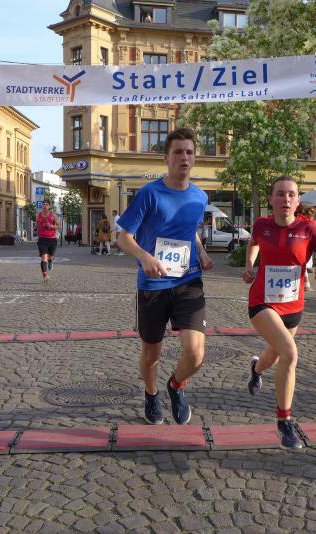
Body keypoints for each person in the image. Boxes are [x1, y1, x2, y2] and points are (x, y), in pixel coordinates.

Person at [117, 127, 213, 426]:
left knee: (195, 354)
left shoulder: (200, 197)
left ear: (194, 158)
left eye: (189, 152)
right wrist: (144, 256)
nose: (184, 157)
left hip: (188, 280)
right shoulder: (150, 193)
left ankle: (176, 385)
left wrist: (201, 251)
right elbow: (123, 238)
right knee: (152, 354)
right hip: (153, 284)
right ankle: (151, 394)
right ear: (166, 158)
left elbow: (190, 230)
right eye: (178, 152)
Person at [243, 175, 316, 450]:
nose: (286, 199)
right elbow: (253, 243)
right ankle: (284, 422)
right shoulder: (261, 225)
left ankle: (256, 369)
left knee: (275, 354)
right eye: (280, 194)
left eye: (291, 194)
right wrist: (250, 265)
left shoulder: (308, 227)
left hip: (293, 305)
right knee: (289, 353)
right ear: (270, 199)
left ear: (298, 200)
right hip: (262, 302)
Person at [36, 200, 60, 283]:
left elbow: (58, 226)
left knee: (50, 257)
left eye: (46, 204)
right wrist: (40, 225)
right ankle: (45, 276)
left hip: (52, 239)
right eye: (43, 204)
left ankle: (50, 261)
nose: (44, 206)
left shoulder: (53, 215)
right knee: (44, 258)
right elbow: (37, 225)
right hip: (42, 239)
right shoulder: (38, 215)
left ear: (49, 206)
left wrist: (51, 226)